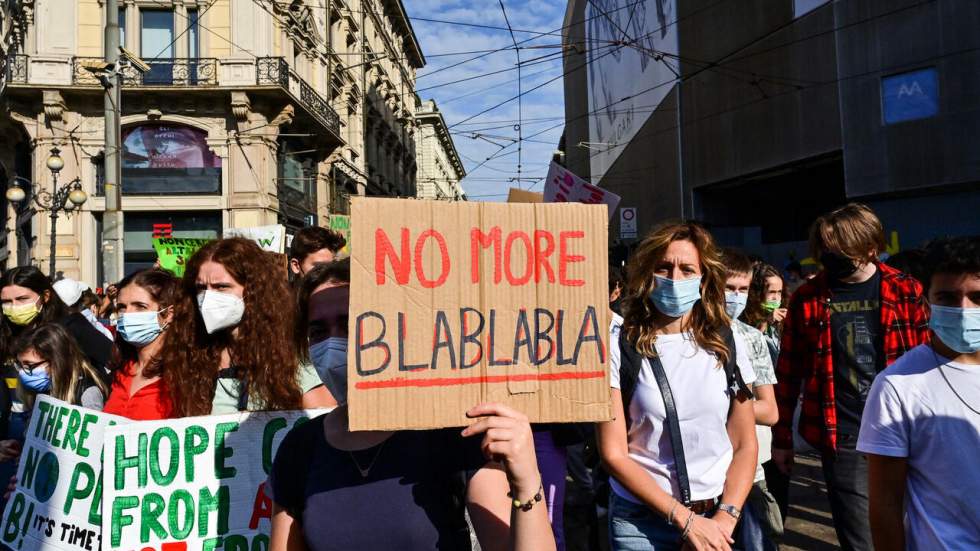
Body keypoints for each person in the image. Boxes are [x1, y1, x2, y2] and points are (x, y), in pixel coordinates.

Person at [269, 271, 557, 551]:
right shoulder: (300, 448)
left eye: (349, 324)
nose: (332, 344)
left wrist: (527, 482)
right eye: (318, 331)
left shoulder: (453, 432)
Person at [772, 203, 929, 551]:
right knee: (860, 538)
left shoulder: (906, 290)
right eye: (824, 248)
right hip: (841, 434)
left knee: (916, 526)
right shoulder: (807, 299)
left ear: (869, 247)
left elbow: (930, 360)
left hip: (906, 428)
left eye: (838, 248)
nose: (829, 255)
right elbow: (788, 372)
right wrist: (781, 438)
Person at [597, 222, 758, 551]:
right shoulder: (618, 343)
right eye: (664, 267)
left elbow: (744, 442)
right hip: (640, 523)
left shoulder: (727, 339)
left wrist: (723, 519)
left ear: (704, 278)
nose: (674, 279)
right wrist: (684, 521)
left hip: (717, 517)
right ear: (647, 274)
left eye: (687, 269)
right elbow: (613, 453)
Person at [858, 236, 980, 550]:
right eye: (948, 297)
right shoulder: (897, 386)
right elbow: (885, 505)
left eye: (977, 297)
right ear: (926, 302)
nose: (964, 310)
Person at [160, 237, 333, 416]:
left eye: (221, 287)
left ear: (254, 290)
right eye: (201, 288)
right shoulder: (192, 353)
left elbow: (319, 418)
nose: (208, 298)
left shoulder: (290, 353)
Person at [721, 249, 780, 551]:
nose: (736, 296)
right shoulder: (688, 336)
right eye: (729, 288)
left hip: (750, 471)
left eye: (742, 289)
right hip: (702, 475)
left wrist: (720, 403)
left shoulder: (751, 339)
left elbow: (770, 411)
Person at [1, 267, 113, 372]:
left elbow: (113, 360)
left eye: (22, 299)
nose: (14, 306)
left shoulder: (72, 326)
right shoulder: (5, 332)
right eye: (6, 301)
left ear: (45, 296)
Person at [103, 269, 179, 420]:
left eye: (140, 306)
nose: (127, 314)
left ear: (169, 314)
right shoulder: (121, 371)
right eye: (122, 307)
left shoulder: (185, 376)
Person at [11, 324, 108, 413]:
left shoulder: (86, 394)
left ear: (56, 362)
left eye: (30, 365)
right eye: (20, 365)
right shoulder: (36, 391)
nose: (22, 372)